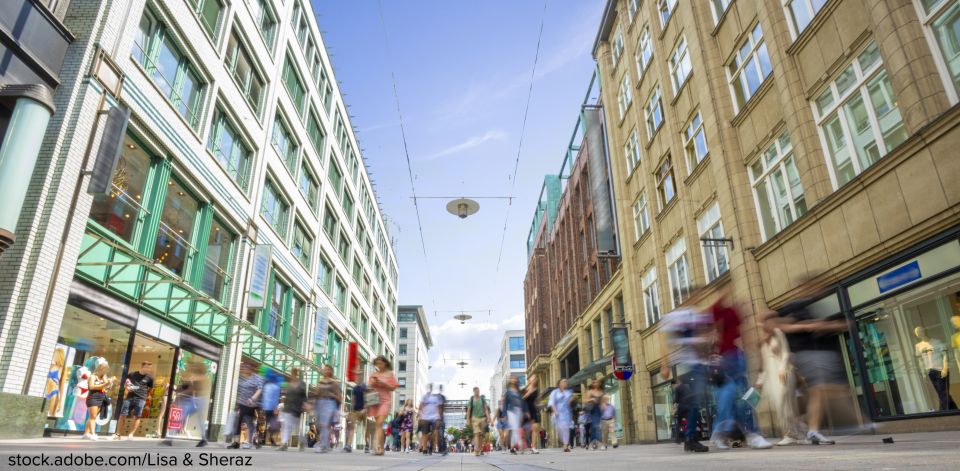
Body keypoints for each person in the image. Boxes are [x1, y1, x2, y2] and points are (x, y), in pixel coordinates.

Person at [770, 290, 850, 445]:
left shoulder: (806, 308)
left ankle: (809, 429)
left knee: (817, 392)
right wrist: (820, 325)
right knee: (818, 391)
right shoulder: (796, 309)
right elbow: (791, 329)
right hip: (804, 357)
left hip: (802, 361)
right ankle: (807, 430)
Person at [709, 292, 773, 450]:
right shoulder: (719, 310)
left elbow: (744, 333)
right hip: (724, 358)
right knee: (728, 398)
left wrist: (755, 353)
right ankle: (723, 432)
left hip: (737, 356)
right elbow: (715, 332)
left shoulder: (733, 312)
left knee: (744, 395)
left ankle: (751, 434)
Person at [660, 303, 712, 452]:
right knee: (695, 402)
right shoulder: (679, 316)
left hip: (699, 363)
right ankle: (690, 438)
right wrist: (664, 363)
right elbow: (662, 335)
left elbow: (704, 336)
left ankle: (690, 438)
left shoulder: (698, 316)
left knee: (697, 401)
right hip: (692, 364)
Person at [755, 311, 803, 446]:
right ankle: (793, 433)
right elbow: (763, 363)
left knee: (785, 402)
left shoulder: (778, 333)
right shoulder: (763, 340)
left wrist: (782, 368)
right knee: (780, 405)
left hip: (784, 372)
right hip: (771, 375)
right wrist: (760, 380)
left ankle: (791, 434)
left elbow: (786, 353)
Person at [162, 360, 210, 447]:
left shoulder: (203, 378)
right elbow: (191, 388)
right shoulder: (198, 377)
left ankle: (204, 439)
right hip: (195, 400)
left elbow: (192, 389)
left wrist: (181, 392)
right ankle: (169, 438)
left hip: (200, 400)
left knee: (198, 420)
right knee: (182, 416)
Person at [113, 361, 153, 440]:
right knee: (122, 415)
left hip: (141, 398)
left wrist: (145, 396)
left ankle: (131, 434)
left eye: (150, 368)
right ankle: (118, 434)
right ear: (142, 366)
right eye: (147, 367)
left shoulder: (150, 377)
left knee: (137, 416)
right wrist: (127, 388)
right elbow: (126, 384)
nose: (149, 369)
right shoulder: (132, 374)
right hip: (129, 397)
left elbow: (150, 389)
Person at [368, 355, 399, 456]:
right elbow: (369, 386)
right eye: (377, 363)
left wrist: (383, 383)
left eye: (381, 363)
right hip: (375, 401)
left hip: (385, 401)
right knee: (378, 425)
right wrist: (374, 383)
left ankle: (377, 446)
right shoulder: (373, 374)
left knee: (380, 422)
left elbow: (393, 388)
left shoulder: (389, 374)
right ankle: (381, 448)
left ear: (385, 363)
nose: (379, 365)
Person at [228, 363, 263, 449]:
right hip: (242, 403)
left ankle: (253, 441)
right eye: (243, 368)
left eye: (246, 367)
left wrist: (252, 399)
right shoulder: (241, 378)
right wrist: (236, 403)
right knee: (238, 421)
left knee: (249, 423)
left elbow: (260, 389)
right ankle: (236, 442)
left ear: (251, 369)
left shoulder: (257, 378)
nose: (244, 369)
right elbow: (238, 390)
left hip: (252, 404)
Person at [312, 364, 341, 453]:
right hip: (320, 403)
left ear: (331, 371)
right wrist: (312, 403)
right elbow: (316, 393)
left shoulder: (334, 382)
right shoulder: (320, 382)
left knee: (325, 424)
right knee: (320, 424)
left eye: (328, 369)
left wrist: (333, 396)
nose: (326, 371)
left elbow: (339, 397)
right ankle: (326, 445)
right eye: (325, 369)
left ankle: (323, 445)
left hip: (330, 403)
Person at [83, 360, 116, 440]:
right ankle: (93, 434)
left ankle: (86, 434)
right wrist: (104, 385)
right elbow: (91, 387)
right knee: (93, 417)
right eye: (104, 370)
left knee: (92, 417)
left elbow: (107, 388)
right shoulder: (92, 377)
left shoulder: (103, 377)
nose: (105, 372)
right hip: (93, 398)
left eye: (106, 370)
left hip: (101, 398)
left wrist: (111, 382)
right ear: (99, 369)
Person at [278, 367, 307, 451]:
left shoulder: (302, 384)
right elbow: (286, 397)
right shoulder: (289, 384)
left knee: (296, 428)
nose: (292, 375)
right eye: (292, 373)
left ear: (297, 374)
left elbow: (304, 396)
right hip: (287, 408)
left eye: (294, 373)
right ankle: (284, 444)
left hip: (296, 409)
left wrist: (305, 405)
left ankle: (302, 441)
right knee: (286, 426)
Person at [343, 363, 367, 453]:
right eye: (356, 374)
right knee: (351, 426)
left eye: (358, 374)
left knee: (365, 428)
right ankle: (348, 445)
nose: (356, 375)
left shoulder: (364, 386)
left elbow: (367, 399)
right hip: (355, 411)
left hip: (363, 410)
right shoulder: (355, 388)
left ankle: (367, 444)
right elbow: (353, 400)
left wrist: (365, 409)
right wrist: (350, 411)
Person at [547, 378, 574, 452]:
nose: (565, 383)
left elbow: (569, 403)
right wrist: (555, 411)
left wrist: (571, 400)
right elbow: (552, 402)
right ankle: (564, 442)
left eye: (566, 382)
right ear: (559, 383)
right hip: (557, 414)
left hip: (566, 413)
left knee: (566, 429)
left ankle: (565, 445)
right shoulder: (554, 392)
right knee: (560, 430)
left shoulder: (568, 392)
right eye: (564, 381)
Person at [465, 386, 490, 456]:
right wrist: (468, 420)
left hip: (482, 418)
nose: (477, 392)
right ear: (473, 392)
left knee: (481, 435)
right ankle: (476, 449)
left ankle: (480, 448)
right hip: (474, 418)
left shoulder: (482, 399)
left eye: (478, 391)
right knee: (477, 433)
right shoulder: (471, 400)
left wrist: (488, 417)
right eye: (476, 391)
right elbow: (469, 411)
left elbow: (485, 409)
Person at [418, 384, 442, 455]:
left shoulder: (437, 398)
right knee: (424, 433)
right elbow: (420, 406)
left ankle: (431, 447)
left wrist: (439, 418)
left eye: (431, 388)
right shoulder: (424, 396)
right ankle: (425, 449)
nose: (430, 389)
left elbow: (439, 408)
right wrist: (420, 416)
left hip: (435, 417)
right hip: (425, 417)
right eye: (429, 388)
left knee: (434, 433)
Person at [504, 377, 525, 454]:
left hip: (519, 411)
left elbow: (522, 402)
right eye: (512, 378)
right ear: (510, 381)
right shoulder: (508, 392)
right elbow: (505, 404)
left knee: (514, 428)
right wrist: (504, 414)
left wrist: (524, 412)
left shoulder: (519, 391)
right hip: (511, 411)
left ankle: (512, 447)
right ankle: (520, 445)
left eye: (515, 379)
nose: (514, 379)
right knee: (515, 428)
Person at [521, 374, 541, 453]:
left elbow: (536, 401)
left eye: (535, 378)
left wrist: (539, 399)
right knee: (525, 431)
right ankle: (523, 445)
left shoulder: (536, 390)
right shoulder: (525, 389)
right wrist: (528, 393)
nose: (534, 379)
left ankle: (533, 447)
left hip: (533, 410)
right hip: (526, 410)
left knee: (535, 427)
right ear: (529, 380)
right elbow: (521, 399)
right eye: (533, 378)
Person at [585, 379, 605, 450]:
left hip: (599, 410)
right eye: (595, 382)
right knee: (595, 426)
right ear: (593, 384)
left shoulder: (601, 392)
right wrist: (592, 400)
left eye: (598, 382)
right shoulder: (590, 392)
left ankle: (593, 443)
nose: (596, 383)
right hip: (592, 410)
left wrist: (603, 407)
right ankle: (599, 443)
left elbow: (602, 402)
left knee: (596, 427)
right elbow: (586, 400)